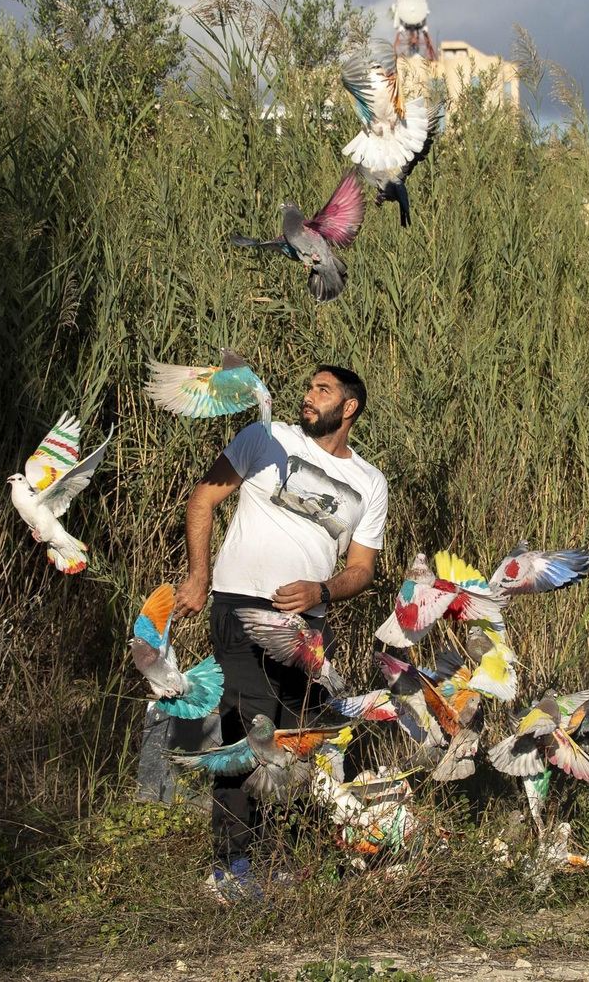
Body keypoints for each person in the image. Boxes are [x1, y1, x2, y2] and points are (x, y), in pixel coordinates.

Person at [173, 364, 388, 901]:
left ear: (350, 407)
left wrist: (322, 591)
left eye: (323, 390)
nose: (309, 397)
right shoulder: (263, 437)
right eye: (309, 387)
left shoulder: (370, 482)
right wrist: (198, 576)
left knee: (296, 740)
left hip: (305, 628)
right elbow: (202, 499)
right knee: (249, 726)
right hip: (239, 607)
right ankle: (231, 866)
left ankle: (279, 859)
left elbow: (362, 569)